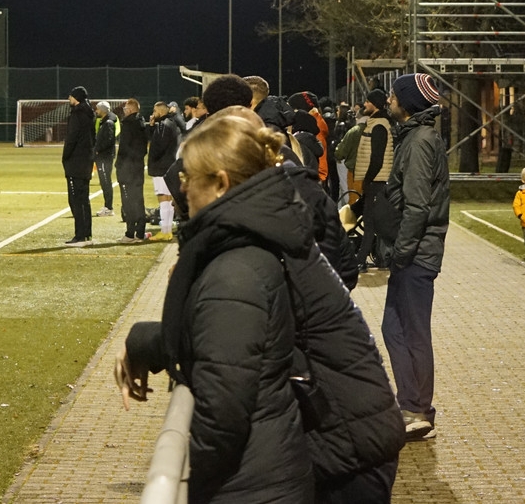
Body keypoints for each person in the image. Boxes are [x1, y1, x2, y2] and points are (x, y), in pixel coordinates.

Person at [117, 113, 403, 503]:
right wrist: (144, 341)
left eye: (188, 177)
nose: (182, 189)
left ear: (221, 183)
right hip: (342, 435)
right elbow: (235, 339)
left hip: (345, 449)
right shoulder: (266, 225)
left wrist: (186, 484)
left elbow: (224, 407)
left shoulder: (242, 260)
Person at [382, 73, 450, 437]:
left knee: (412, 331)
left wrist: (401, 252)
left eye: (394, 96)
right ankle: (410, 404)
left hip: (416, 253)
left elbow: (417, 206)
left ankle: (418, 410)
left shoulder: (420, 140)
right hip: (413, 250)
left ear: (407, 102)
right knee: (394, 327)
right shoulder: (413, 136)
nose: (389, 100)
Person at [354, 89, 394, 271]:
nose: (365, 104)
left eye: (368, 101)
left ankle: (360, 260)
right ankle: (378, 257)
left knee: (370, 222)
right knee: (372, 221)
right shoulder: (376, 123)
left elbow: (377, 158)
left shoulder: (379, 126)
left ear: (375, 104)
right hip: (376, 180)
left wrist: (368, 180)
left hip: (377, 181)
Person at [61, 86, 95, 247]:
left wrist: (65, 157)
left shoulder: (77, 114)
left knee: (76, 200)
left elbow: (71, 138)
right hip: (86, 161)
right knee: (84, 199)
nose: (69, 98)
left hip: (76, 163)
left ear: (76, 98)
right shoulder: (90, 114)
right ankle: (86, 234)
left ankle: (80, 235)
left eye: (71, 96)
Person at [116, 98, 148, 243]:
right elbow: (142, 149)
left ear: (130, 110)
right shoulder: (141, 123)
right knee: (138, 200)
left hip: (128, 169)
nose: (124, 111)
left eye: (125, 108)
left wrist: (120, 165)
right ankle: (140, 233)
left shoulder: (129, 124)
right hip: (138, 168)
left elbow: (125, 148)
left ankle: (130, 234)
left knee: (128, 201)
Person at [147, 101, 180, 241]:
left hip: (161, 166)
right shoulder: (171, 123)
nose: (153, 114)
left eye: (155, 111)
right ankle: (167, 230)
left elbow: (158, 146)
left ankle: (165, 231)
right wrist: (151, 126)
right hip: (168, 165)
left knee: (163, 198)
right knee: (167, 199)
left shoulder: (163, 125)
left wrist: (153, 160)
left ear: (160, 111)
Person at [93, 100, 118, 216]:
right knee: (104, 182)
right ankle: (107, 206)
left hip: (105, 157)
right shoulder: (105, 122)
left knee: (106, 182)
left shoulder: (108, 123)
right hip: (104, 156)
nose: (96, 111)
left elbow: (108, 141)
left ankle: (109, 207)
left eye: (98, 109)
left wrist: (98, 150)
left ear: (103, 110)